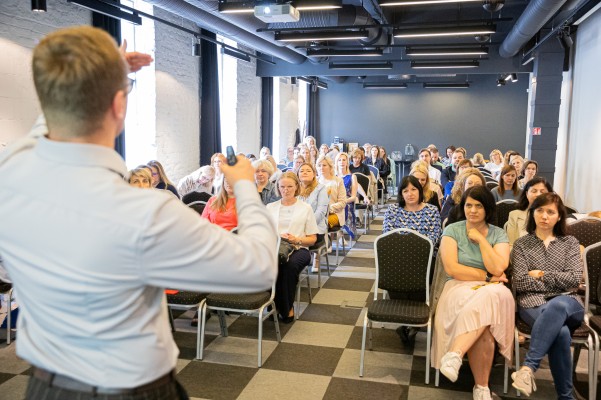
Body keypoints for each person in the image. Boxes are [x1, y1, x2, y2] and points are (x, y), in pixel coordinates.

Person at [0, 26, 277, 400]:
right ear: (118, 106)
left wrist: (99, 76)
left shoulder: (11, 174)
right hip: (129, 391)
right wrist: (244, 183)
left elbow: (45, 125)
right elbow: (259, 265)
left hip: (45, 387)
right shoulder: (145, 212)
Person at [433, 186, 514, 400]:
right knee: (486, 324)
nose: (473, 210)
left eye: (478, 206)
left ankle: (455, 354)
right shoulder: (452, 230)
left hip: (492, 291)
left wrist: (481, 240)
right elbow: (452, 269)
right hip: (458, 287)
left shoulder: (499, 234)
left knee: (491, 298)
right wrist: (486, 277)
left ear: (487, 209)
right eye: (469, 205)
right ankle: (482, 389)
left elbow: (498, 268)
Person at [511, 193, 583, 399]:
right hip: (532, 304)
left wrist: (541, 274)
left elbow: (574, 280)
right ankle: (566, 397)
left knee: (559, 306)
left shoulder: (569, 242)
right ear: (532, 213)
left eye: (550, 212)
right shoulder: (522, 244)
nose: (544, 216)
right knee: (560, 333)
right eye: (539, 210)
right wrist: (556, 280)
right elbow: (522, 282)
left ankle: (528, 368)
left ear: (559, 216)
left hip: (570, 303)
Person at [266, 172, 318, 323]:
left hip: (299, 248)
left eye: (289, 186)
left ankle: (285, 307)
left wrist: (297, 239)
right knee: (271, 263)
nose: (286, 190)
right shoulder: (270, 207)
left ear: (296, 187)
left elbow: (313, 239)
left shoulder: (305, 208)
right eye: (282, 187)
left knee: (288, 266)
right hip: (275, 247)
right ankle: (274, 304)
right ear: (278, 188)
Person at [383, 176, 442, 245]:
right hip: (397, 252)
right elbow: (387, 235)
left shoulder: (432, 211)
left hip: (425, 252)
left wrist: (412, 248)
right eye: (405, 191)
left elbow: (435, 237)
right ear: (401, 195)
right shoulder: (392, 210)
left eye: (413, 189)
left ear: (419, 191)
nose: (410, 194)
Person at [297, 163, 329, 272]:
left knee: (294, 240)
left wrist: (305, 226)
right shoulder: (294, 188)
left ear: (314, 174)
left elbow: (321, 212)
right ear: (297, 174)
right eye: (301, 171)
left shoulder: (321, 188)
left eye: (308, 170)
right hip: (296, 227)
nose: (304, 172)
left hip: (315, 229)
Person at [506, 177, 553, 245]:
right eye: (534, 191)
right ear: (527, 194)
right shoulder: (514, 215)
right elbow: (511, 245)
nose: (538, 195)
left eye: (542, 192)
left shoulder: (554, 216)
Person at [316, 155, 346, 229]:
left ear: (330, 167)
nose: (321, 168)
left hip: (335, 214)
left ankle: (325, 240)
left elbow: (343, 203)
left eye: (324, 165)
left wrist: (327, 209)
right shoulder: (315, 181)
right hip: (317, 214)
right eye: (319, 165)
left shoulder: (338, 181)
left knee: (319, 223)